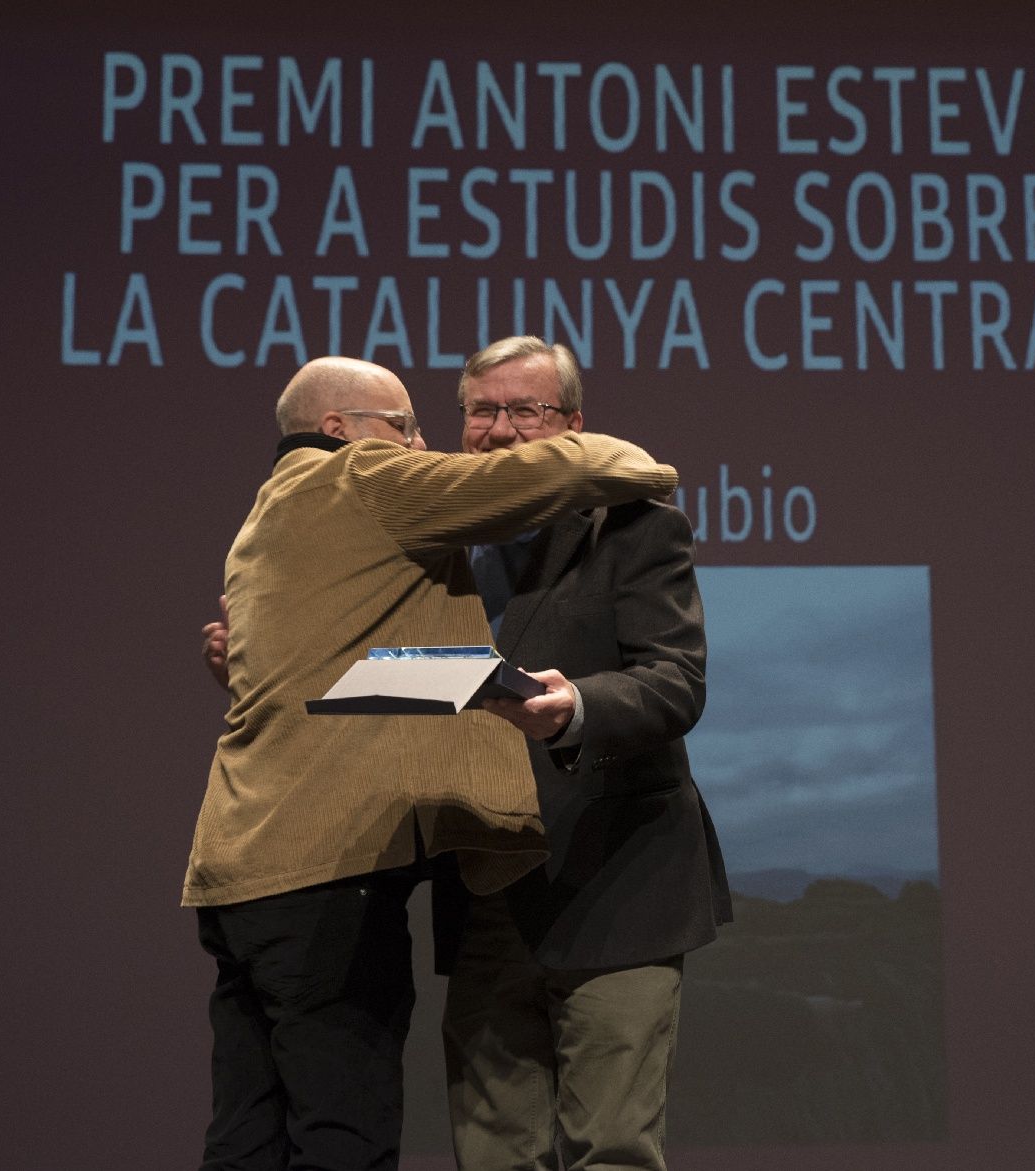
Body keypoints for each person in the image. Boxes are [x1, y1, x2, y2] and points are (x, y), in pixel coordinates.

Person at [185, 355, 678, 1171]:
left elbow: (313, 669)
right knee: (343, 1134)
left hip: (235, 870)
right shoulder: (363, 479)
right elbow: (574, 461)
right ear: (342, 432)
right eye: (406, 425)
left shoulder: (260, 524)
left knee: (244, 1134)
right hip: (326, 868)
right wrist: (650, 469)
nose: (419, 443)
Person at [434, 337, 731, 1171]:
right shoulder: (434, 542)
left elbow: (675, 683)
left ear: (572, 424)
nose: (499, 430)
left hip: (618, 884)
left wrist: (576, 710)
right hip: (485, 888)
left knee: (612, 1153)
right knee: (493, 1156)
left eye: (523, 409)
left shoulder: (636, 524)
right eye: (481, 411)